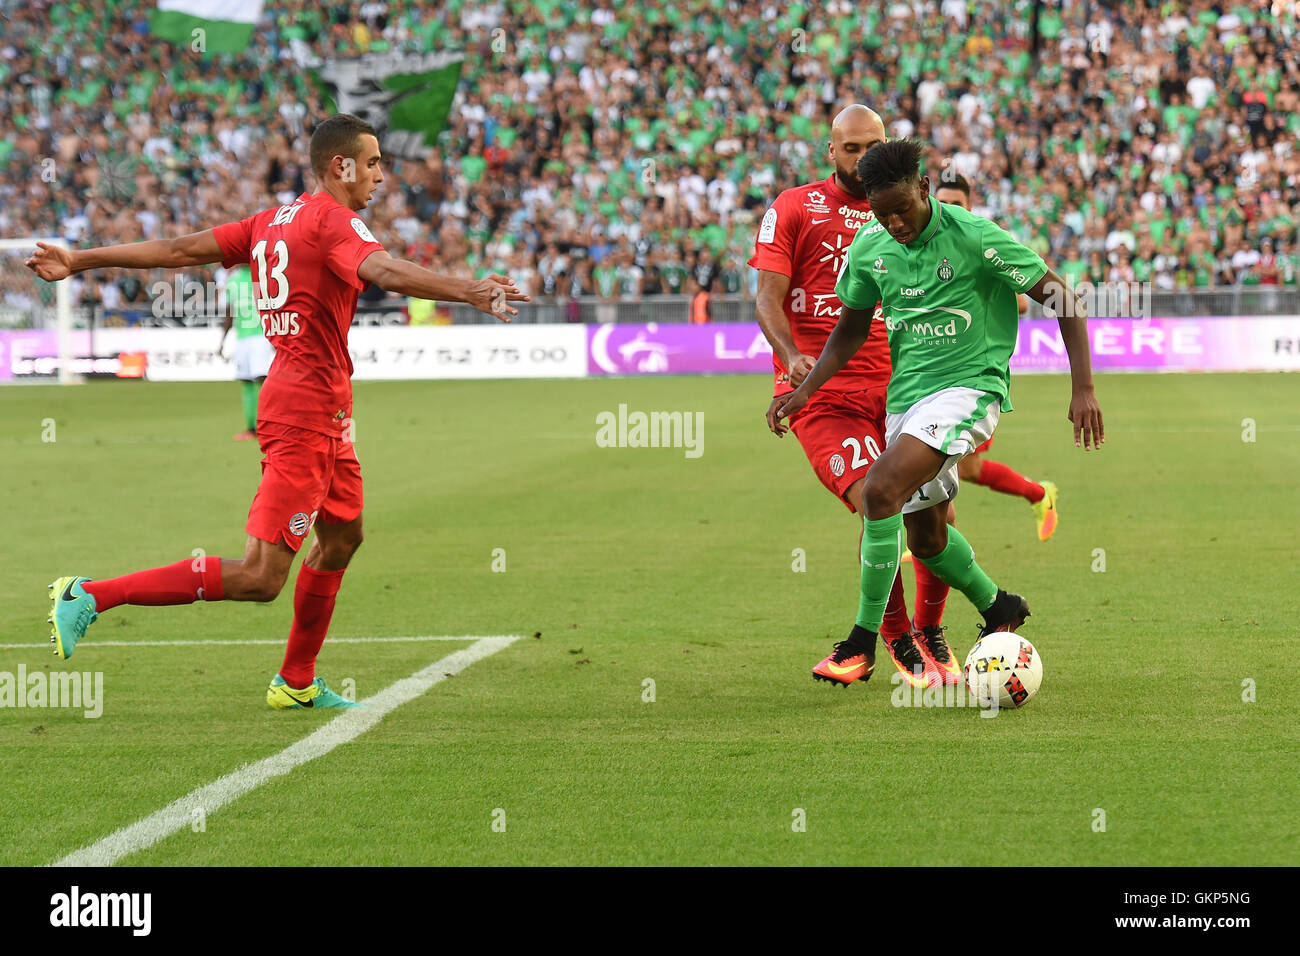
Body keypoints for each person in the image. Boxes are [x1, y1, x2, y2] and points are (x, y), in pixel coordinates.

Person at [29, 114, 529, 710]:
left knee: (342, 538)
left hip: (324, 409)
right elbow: (385, 272)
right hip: (302, 413)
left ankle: (295, 681)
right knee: (261, 577)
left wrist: (81, 260)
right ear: (340, 166)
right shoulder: (335, 222)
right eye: (371, 163)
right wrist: (469, 290)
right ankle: (89, 594)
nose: (379, 175)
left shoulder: (270, 222)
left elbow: (178, 248)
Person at [769, 139, 1102, 677]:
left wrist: (1083, 388)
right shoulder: (870, 247)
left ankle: (861, 642)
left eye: (903, 207)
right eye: (882, 213)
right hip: (908, 400)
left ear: (923, 187)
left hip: (969, 389)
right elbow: (849, 331)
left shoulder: (974, 236)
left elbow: (1063, 296)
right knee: (926, 539)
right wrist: (801, 390)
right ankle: (999, 605)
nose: (895, 222)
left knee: (878, 491)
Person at [751, 105, 950, 691]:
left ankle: (935, 626)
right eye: (851, 149)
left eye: (873, 147)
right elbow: (767, 296)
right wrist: (791, 357)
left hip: (905, 386)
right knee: (875, 499)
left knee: (935, 521)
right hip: (824, 390)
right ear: (829, 151)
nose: (862, 159)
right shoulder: (794, 207)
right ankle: (891, 635)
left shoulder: (905, 213)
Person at [932, 172, 1059, 542]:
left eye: (957, 204)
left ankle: (929, 540)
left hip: (975, 374)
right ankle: (930, 537)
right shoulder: (925, 245)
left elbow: (1021, 301)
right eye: (943, 203)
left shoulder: (983, 241)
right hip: (936, 368)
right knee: (948, 464)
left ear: (970, 207)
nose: (949, 210)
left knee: (942, 462)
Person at [218, 262, 275, 441]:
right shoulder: (233, 280)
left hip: (261, 336)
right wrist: (223, 341)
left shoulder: (263, 276)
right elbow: (230, 313)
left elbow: (274, 307)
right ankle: (252, 428)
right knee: (246, 381)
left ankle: (270, 425)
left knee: (262, 380)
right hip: (241, 337)